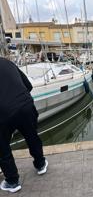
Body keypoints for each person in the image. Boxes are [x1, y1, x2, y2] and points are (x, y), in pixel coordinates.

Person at [0, 57, 48, 193]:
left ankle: (12, 181)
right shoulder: (7, 62)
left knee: (3, 147)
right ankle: (41, 164)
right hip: (25, 105)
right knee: (32, 136)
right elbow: (28, 85)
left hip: (2, 112)